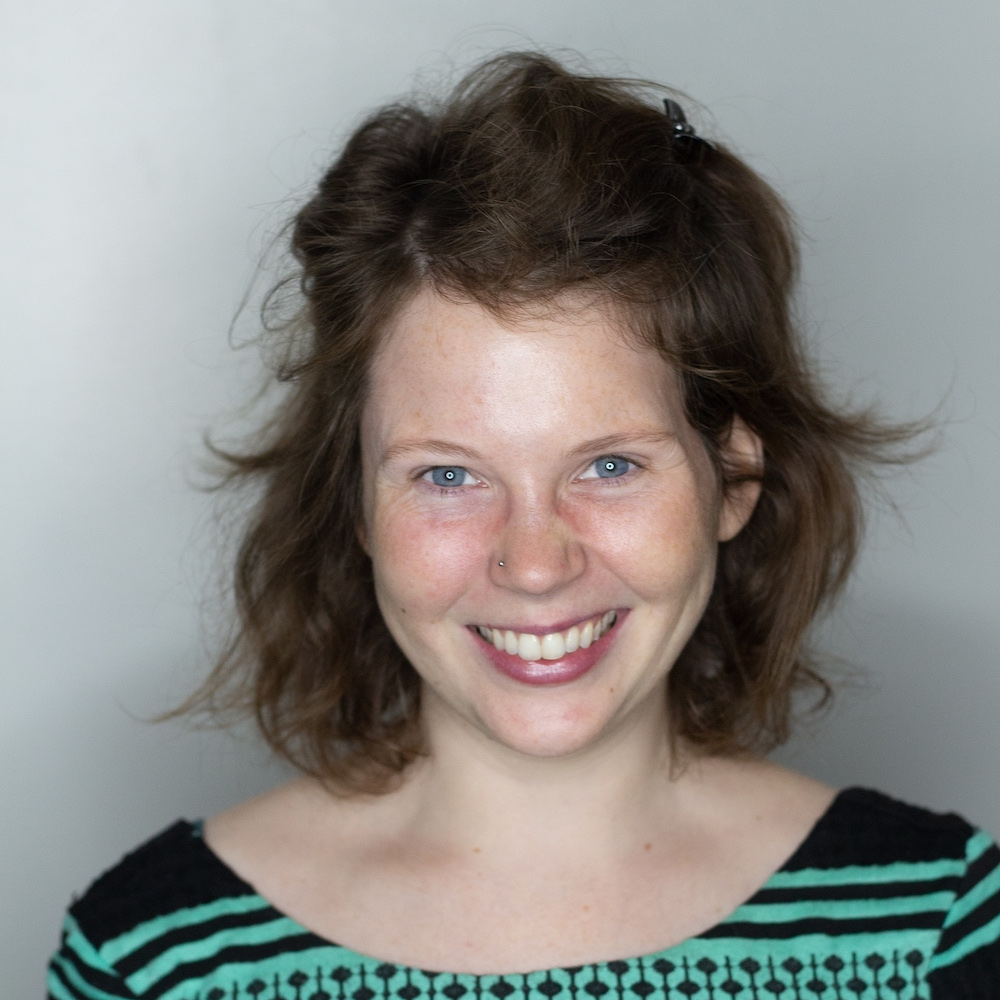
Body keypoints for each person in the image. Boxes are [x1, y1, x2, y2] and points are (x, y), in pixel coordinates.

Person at [47, 52, 1000, 999]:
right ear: (356, 503)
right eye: (450, 474)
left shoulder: (935, 924)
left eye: (610, 465)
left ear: (734, 479)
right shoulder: (153, 959)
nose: (536, 564)